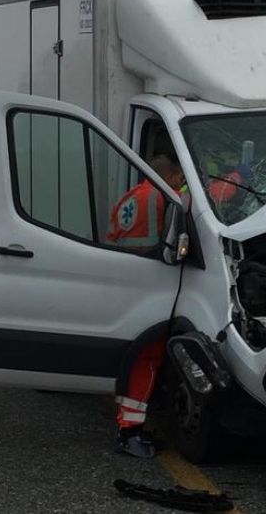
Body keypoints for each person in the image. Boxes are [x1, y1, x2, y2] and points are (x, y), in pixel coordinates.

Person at [109, 154, 185, 458]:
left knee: (133, 357)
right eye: (179, 179)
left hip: (121, 280)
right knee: (148, 359)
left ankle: (129, 425)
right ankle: (129, 431)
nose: (180, 185)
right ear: (168, 177)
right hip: (150, 281)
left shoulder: (129, 197)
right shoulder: (162, 197)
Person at [107, 154, 185, 250]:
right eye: (181, 179)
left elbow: (110, 237)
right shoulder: (165, 196)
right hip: (148, 258)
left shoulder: (125, 198)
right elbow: (197, 203)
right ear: (170, 177)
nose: (182, 184)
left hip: (117, 257)